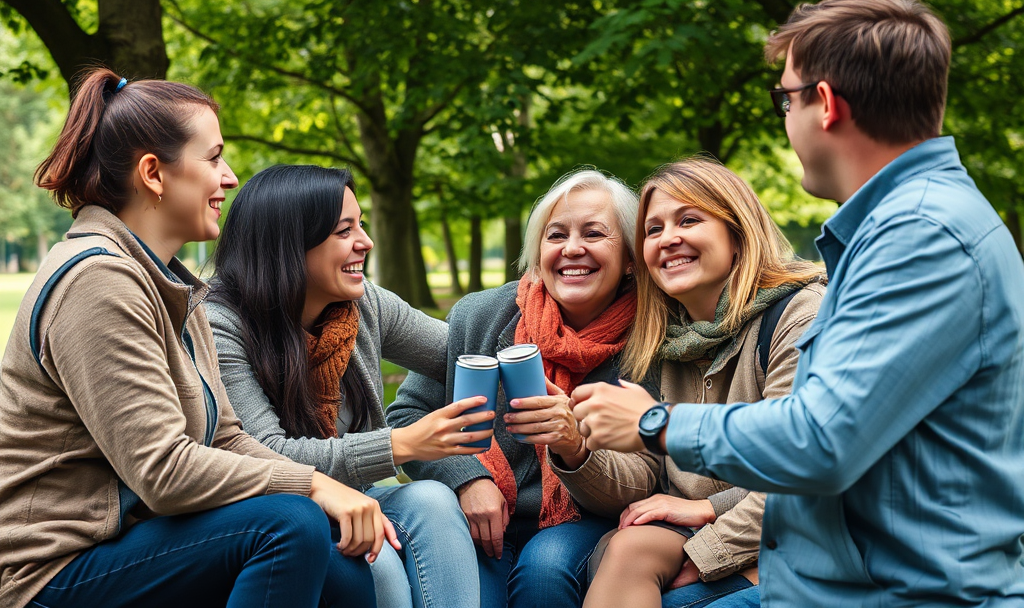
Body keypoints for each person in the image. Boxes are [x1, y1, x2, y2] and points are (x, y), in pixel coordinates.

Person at [572, 0, 1024, 606]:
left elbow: (822, 443)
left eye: (784, 98)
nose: (783, 116)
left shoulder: (920, 237)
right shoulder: (895, 230)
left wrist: (653, 423)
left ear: (827, 105)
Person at [0, 69, 397, 608]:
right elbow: (163, 471)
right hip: (54, 570)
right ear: (154, 174)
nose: (230, 178)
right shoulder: (97, 282)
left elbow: (227, 438)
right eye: (213, 158)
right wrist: (313, 486)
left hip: (131, 540)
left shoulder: (172, 285)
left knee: (345, 573)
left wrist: (320, 483)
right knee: (288, 524)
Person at [207, 164, 486, 608]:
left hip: (360, 496)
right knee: (379, 564)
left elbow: (462, 352)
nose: (366, 242)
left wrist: (531, 327)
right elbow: (267, 452)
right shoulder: (220, 326)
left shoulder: (362, 305)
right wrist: (401, 443)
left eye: (362, 225)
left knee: (432, 499)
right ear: (289, 244)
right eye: (344, 230)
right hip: (278, 511)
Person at [560, 158, 823, 608]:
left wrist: (707, 543)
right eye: (653, 229)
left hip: (799, 537)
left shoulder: (799, 316)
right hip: (690, 532)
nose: (669, 239)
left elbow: (804, 470)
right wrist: (573, 446)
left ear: (737, 235)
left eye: (689, 220)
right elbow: (642, 478)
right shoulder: (660, 337)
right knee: (618, 549)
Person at [387, 169, 647, 608]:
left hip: (589, 516)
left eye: (594, 233)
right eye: (556, 235)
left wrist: (575, 446)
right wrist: (467, 478)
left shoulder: (652, 336)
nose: (572, 249)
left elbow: (648, 473)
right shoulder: (482, 315)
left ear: (630, 258)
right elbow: (407, 416)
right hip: (479, 516)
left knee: (543, 570)